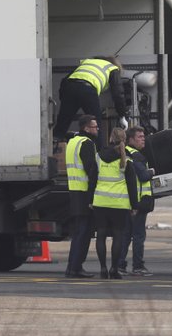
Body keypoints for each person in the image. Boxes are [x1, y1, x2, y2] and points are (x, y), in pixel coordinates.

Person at [91, 127, 139, 279]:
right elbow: (132, 184)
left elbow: (92, 180)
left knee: (101, 235)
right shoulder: (127, 158)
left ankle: (103, 268)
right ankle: (114, 269)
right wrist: (134, 205)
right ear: (124, 139)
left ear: (110, 138)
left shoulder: (99, 156)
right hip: (119, 203)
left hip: (100, 201)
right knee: (118, 236)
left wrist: (89, 200)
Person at [53, 55, 128, 145]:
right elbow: (118, 93)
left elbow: (65, 80)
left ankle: (54, 148)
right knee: (96, 125)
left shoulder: (87, 63)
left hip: (70, 87)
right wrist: (122, 115)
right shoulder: (112, 68)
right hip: (88, 89)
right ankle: (99, 153)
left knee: (62, 124)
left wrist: (64, 101)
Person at [64, 115, 99, 278]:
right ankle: (76, 267)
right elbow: (91, 171)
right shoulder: (87, 143)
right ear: (86, 128)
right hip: (85, 193)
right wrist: (93, 197)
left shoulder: (72, 142)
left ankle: (72, 267)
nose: (97, 129)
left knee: (78, 233)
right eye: (94, 126)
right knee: (83, 234)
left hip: (74, 192)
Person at [117, 126, 155, 276]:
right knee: (138, 236)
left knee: (126, 235)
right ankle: (138, 266)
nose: (143, 139)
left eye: (143, 136)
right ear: (131, 139)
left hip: (127, 202)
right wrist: (151, 171)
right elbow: (143, 176)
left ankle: (120, 264)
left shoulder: (124, 153)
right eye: (139, 137)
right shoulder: (136, 156)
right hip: (138, 202)